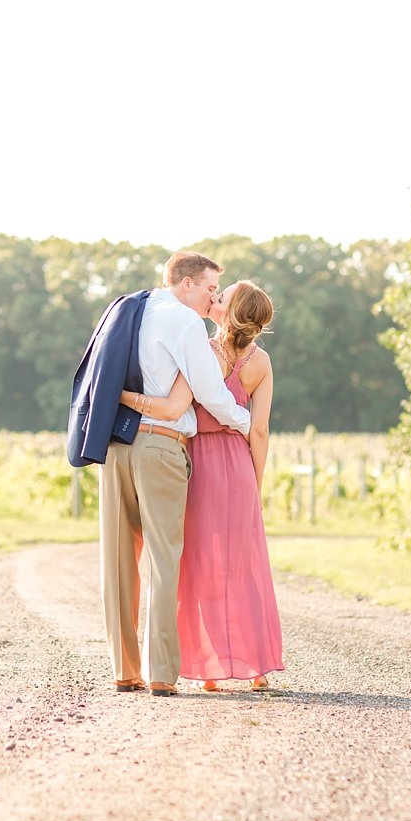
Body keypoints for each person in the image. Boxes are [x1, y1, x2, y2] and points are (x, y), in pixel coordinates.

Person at [84, 251, 252, 698]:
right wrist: (245, 422)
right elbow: (211, 391)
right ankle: (161, 673)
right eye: (211, 289)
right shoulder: (184, 321)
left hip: (116, 444)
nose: (213, 298)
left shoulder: (130, 310)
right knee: (163, 559)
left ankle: (124, 670)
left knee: (118, 560)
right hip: (161, 445)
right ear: (187, 284)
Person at [121, 279, 284, 692]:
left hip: (199, 463)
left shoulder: (200, 351)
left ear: (228, 311)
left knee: (197, 565)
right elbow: (260, 431)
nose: (214, 298)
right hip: (240, 464)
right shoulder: (261, 362)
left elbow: (178, 406)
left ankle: (209, 671)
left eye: (221, 296)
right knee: (244, 566)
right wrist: (256, 482)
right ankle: (257, 668)